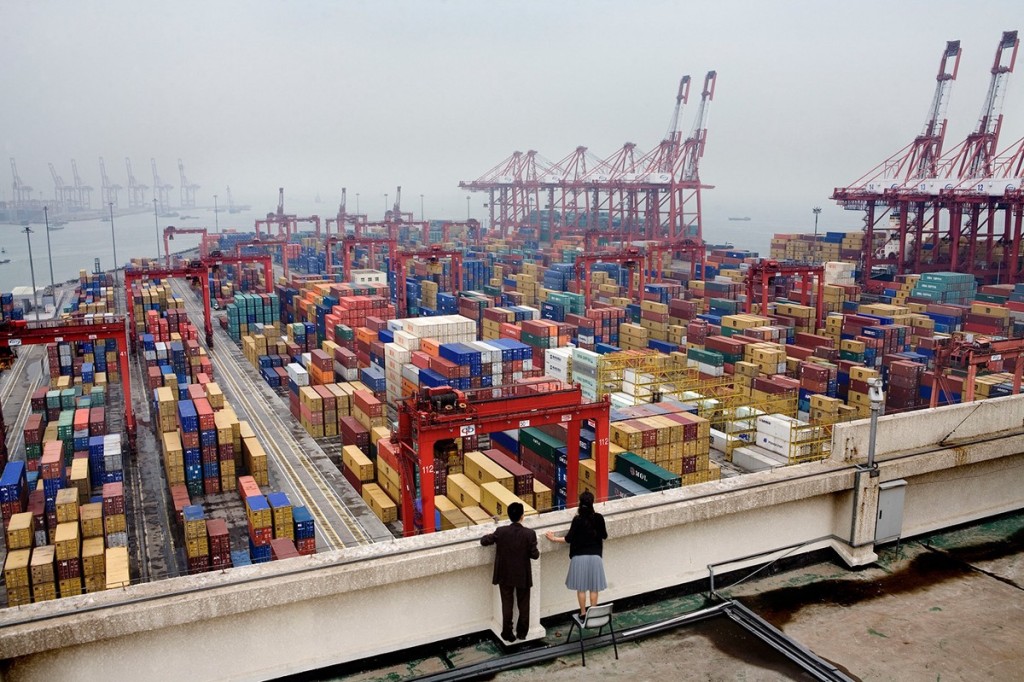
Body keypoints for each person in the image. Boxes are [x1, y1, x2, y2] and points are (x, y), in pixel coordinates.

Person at [480, 502, 539, 643]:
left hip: (505, 574)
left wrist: (486, 536)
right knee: (523, 604)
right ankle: (522, 633)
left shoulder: (501, 532)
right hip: (522, 575)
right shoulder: (530, 534)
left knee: (507, 604)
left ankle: (507, 633)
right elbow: (535, 555)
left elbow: (484, 541)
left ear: (509, 516)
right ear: (522, 516)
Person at [545, 491, 608, 617]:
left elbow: (568, 539)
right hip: (595, 557)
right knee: (594, 588)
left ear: (580, 504)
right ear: (592, 503)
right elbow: (604, 536)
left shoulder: (577, 520)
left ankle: (583, 613)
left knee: (581, 588)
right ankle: (593, 612)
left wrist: (553, 538)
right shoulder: (599, 518)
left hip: (578, 558)